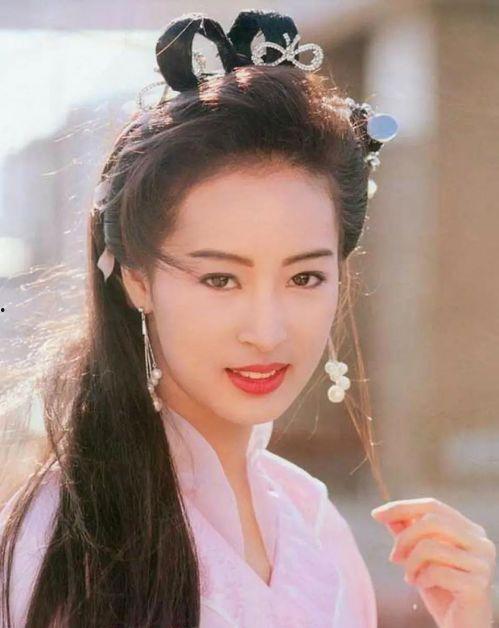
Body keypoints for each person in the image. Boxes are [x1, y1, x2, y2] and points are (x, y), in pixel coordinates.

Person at [0, 9, 495, 628]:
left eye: (304, 278)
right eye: (220, 279)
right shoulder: (65, 544)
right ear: (136, 279)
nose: (267, 331)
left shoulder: (312, 521)